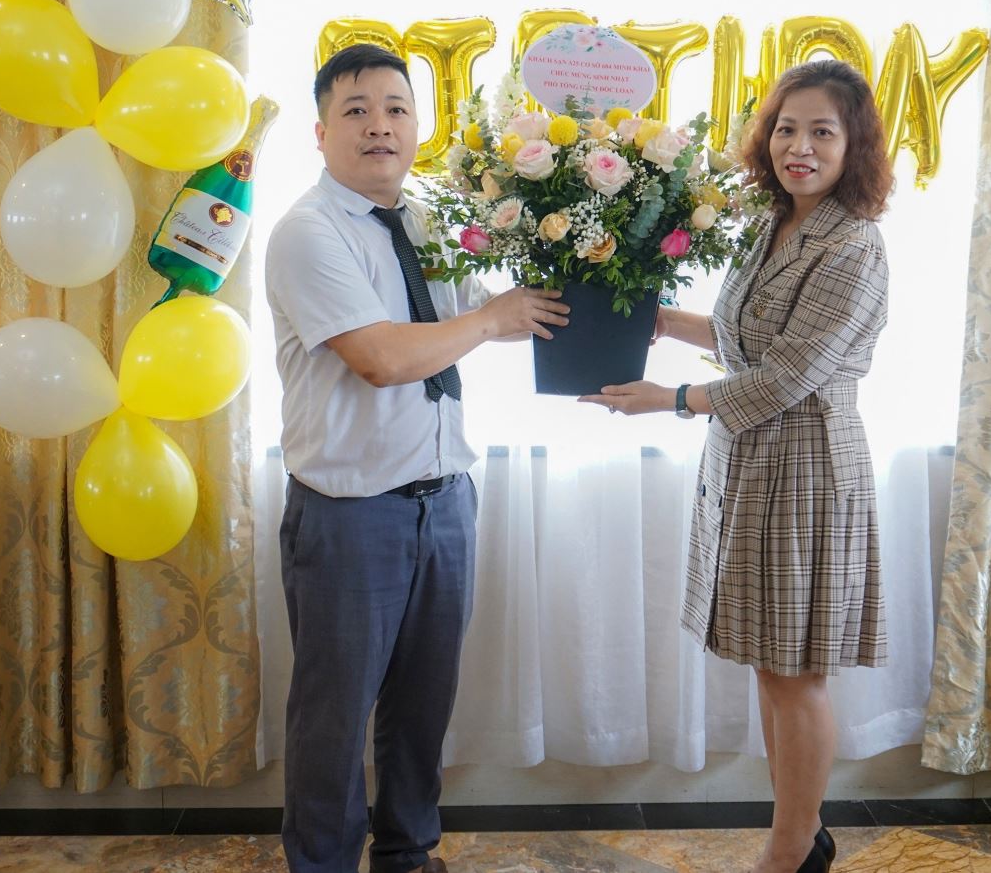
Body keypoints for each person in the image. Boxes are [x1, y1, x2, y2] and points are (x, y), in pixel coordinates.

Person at [581, 60, 892, 873]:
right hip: (746, 461)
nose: (799, 147)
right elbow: (743, 337)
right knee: (769, 661)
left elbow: (789, 375)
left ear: (854, 145)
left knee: (797, 674)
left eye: (821, 132)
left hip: (808, 466)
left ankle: (791, 850)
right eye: (787, 129)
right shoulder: (773, 221)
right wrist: (654, 318)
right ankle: (801, 833)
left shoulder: (854, 244)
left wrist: (670, 400)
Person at [266, 43, 568, 873]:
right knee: (333, 715)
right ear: (321, 131)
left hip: (446, 500)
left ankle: (406, 854)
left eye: (396, 109)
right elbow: (382, 357)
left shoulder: (427, 219)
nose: (380, 126)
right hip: (350, 513)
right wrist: (492, 317)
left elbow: (486, 311)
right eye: (357, 110)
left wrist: (589, 266)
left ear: (416, 126)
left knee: (422, 703)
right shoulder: (307, 233)